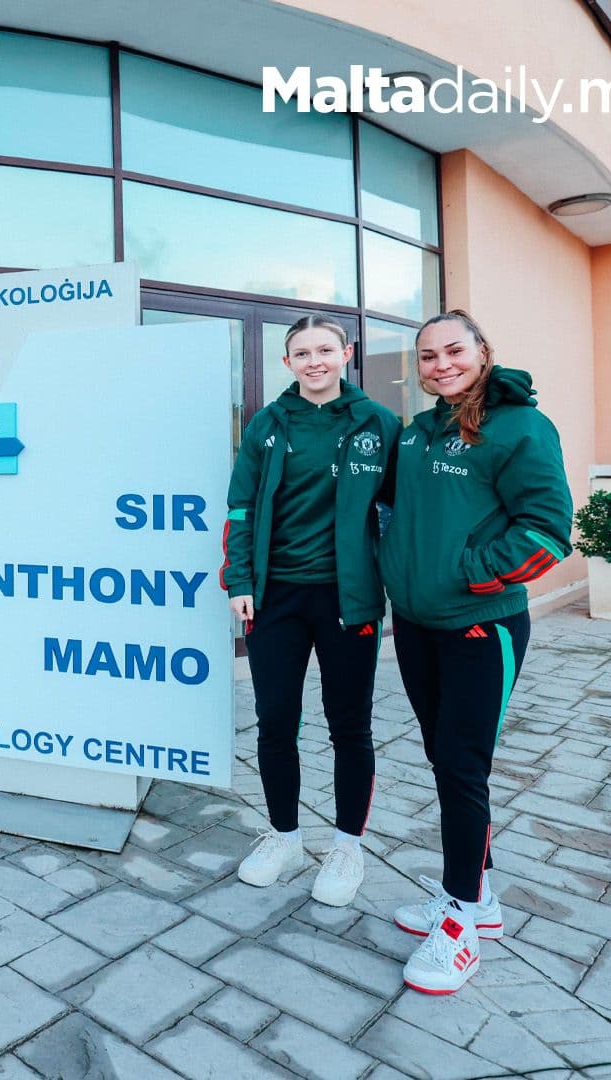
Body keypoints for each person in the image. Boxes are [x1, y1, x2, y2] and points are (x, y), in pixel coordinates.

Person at [378, 309, 571, 995]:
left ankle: (460, 919)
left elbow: (548, 531)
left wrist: (467, 573)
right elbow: (394, 516)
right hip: (416, 626)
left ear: (483, 350)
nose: (441, 365)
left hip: (478, 629)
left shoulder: (519, 427)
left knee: (463, 768)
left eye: (453, 350)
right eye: (428, 356)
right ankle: (475, 895)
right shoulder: (417, 433)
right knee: (445, 760)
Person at [224, 316, 399, 908]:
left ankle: (347, 845)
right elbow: (241, 506)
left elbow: (405, 510)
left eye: (325, 349)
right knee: (276, 722)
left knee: (349, 724)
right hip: (276, 598)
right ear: (288, 362)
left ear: (346, 354)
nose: (315, 360)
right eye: (302, 352)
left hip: (350, 600)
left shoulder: (380, 424)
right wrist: (239, 579)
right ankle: (285, 837)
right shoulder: (267, 425)